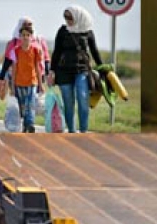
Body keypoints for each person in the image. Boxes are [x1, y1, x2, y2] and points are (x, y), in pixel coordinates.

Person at [49, 5, 104, 133]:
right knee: (68, 104)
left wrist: (102, 68)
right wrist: (51, 71)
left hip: (82, 70)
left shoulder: (87, 31)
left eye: (70, 17)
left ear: (78, 16)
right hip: (63, 71)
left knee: (83, 99)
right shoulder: (63, 31)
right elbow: (56, 51)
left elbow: (95, 51)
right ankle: (72, 132)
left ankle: (83, 131)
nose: (67, 20)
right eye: (65, 17)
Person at [0, 17, 50, 94]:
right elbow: (8, 60)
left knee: (34, 101)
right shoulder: (13, 42)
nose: (27, 26)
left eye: (30, 24)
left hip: (36, 77)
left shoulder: (39, 39)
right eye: (25, 24)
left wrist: (47, 74)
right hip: (19, 78)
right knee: (21, 102)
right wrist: (1, 77)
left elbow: (46, 58)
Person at [11, 25, 43, 133]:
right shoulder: (16, 51)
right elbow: (14, 69)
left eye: (27, 35)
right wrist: (12, 86)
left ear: (31, 37)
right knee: (23, 106)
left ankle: (30, 124)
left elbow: (38, 67)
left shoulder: (35, 50)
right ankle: (25, 125)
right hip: (19, 83)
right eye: (23, 35)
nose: (25, 37)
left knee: (30, 104)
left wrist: (40, 84)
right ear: (20, 37)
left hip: (32, 82)